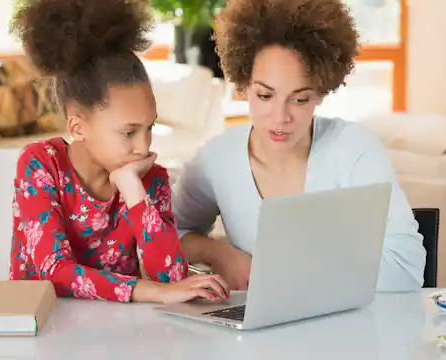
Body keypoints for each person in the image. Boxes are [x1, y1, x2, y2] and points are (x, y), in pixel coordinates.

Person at [173, 0, 427, 292]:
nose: (281, 118)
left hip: (345, 330)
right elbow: (165, 236)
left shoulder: (355, 150)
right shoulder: (216, 160)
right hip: (256, 332)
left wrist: (297, 280)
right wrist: (219, 254)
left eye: (300, 99)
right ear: (243, 85)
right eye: (265, 96)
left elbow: (406, 268)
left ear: (321, 92)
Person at [8, 0, 230, 303]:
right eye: (128, 132)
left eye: (149, 127)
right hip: (43, 332)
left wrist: (135, 195)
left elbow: (171, 279)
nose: (144, 146)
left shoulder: (148, 179)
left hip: (119, 335)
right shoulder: (40, 165)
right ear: (77, 128)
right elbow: (54, 271)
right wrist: (151, 291)